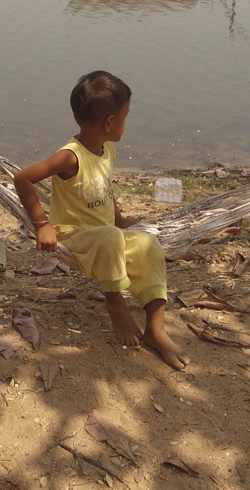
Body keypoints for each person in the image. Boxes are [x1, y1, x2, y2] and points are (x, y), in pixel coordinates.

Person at [13, 71, 188, 370]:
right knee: (108, 237)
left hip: (109, 235)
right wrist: (42, 225)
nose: (126, 122)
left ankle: (155, 330)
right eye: (125, 116)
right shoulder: (70, 157)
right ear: (109, 123)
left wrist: (119, 219)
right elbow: (22, 178)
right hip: (75, 236)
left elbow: (105, 188)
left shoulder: (107, 149)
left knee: (150, 245)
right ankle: (115, 303)